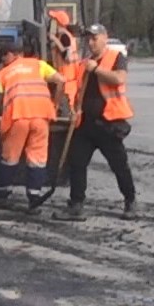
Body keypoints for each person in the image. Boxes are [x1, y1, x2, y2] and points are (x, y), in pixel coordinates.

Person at [54, 23, 138, 221]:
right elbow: (74, 87)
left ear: (104, 38)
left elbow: (119, 78)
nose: (91, 43)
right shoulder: (85, 63)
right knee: (77, 164)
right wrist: (74, 109)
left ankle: (130, 200)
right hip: (86, 124)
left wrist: (97, 69)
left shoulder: (116, 58)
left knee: (119, 165)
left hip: (108, 123)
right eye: (88, 39)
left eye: (94, 38)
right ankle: (76, 204)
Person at [0, 41, 64, 213]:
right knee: (37, 159)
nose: (3, 62)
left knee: (10, 157)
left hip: (18, 117)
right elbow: (61, 80)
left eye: (3, 57)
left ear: (11, 55)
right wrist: (55, 105)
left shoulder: (4, 73)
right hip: (42, 117)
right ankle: (34, 198)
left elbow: (0, 102)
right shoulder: (39, 65)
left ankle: (2, 195)